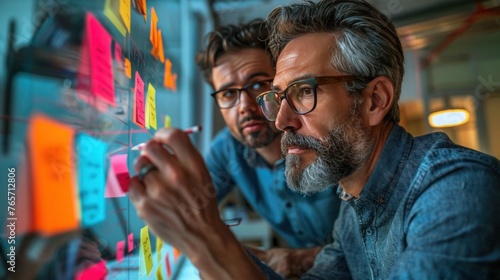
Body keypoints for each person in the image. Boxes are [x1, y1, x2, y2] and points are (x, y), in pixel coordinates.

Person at [128, 0, 500, 279]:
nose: (281, 119)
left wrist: (204, 238)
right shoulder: (352, 211)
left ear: (374, 101)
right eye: (276, 96)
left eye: (304, 92)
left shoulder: (457, 190)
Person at [194, 19, 340, 276]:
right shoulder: (227, 149)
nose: (244, 106)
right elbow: (191, 209)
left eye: (258, 85)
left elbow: (373, 241)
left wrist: (297, 260)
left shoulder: (326, 135)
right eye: (228, 94)